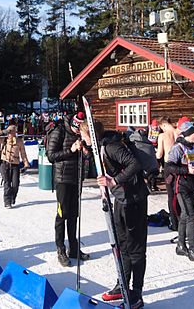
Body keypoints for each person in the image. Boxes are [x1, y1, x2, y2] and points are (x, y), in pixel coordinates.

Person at [86, 120, 148, 308]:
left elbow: (134, 164)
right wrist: (105, 186)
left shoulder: (111, 146)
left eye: (83, 135)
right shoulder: (101, 149)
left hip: (134, 200)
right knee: (122, 245)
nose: (81, 139)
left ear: (90, 135)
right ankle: (122, 285)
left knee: (135, 248)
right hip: (121, 199)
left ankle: (136, 294)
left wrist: (114, 181)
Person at [46, 111, 89, 267]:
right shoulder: (59, 131)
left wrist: (85, 152)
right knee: (62, 214)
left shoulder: (81, 134)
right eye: (78, 129)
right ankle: (60, 249)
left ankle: (74, 248)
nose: (79, 132)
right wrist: (70, 150)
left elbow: (88, 156)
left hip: (76, 178)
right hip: (62, 179)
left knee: (74, 214)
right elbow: (51, 156)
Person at [164, 121, 194, 263]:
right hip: (181, 187)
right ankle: (192, 249)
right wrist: (186, 170)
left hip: (192, 186)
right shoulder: (178, 148)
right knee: (191, 216)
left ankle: (181, 245)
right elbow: (169, 166)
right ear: (188, 134)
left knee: (185, 216)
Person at [0, 119, 30, 208]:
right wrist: (1, 132)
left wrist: (26, 163)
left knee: (15, 184)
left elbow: (23, 154)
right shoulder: (3, 140)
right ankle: (7, 201)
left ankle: (13, 197)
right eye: (9, 132)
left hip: (15, 165)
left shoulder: (19, 141)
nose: (11, 134)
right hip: (4, 164)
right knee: (7, 183)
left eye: (12, 132)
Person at [156, 117, 179, 230]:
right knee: (180, 193)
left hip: (169, 165)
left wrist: (154, 154)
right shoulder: (178, 132)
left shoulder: (163, 136)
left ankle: (174, 223)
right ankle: (183, 220)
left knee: (171, 195)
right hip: (180, 165)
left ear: (163, 125)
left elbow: (159, 154)